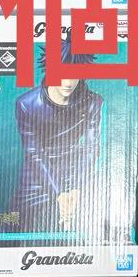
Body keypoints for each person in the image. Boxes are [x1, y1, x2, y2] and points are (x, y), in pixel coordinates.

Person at [10, 36, 103, 234]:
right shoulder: (26, 104)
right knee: (11, 228)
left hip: (77, 171)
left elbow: (91, 148)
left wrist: (76, 187)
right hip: (38, 176)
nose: (68, 82)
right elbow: (33, 153)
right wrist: (58, 193)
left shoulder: (93, 102)